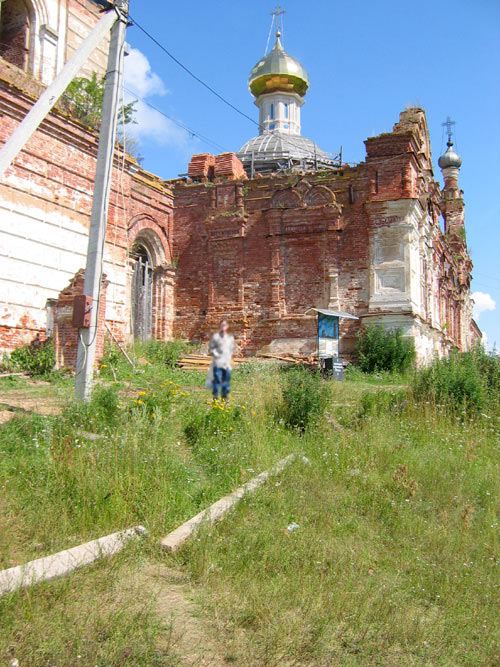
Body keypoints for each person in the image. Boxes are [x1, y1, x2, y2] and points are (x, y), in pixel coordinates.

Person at [208, 320, 234, 400]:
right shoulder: (215, 337)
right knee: (217, 381)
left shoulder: (230, 338)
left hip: (227, 364)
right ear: (220, 326)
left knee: (226, 382)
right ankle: (215, 398)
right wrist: (217, 355)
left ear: (227, 326)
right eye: (222, 325)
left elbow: (231, 350)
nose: (223, 326)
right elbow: (210, 350)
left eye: (225, 325)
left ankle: (224, 398)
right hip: (218, 363)